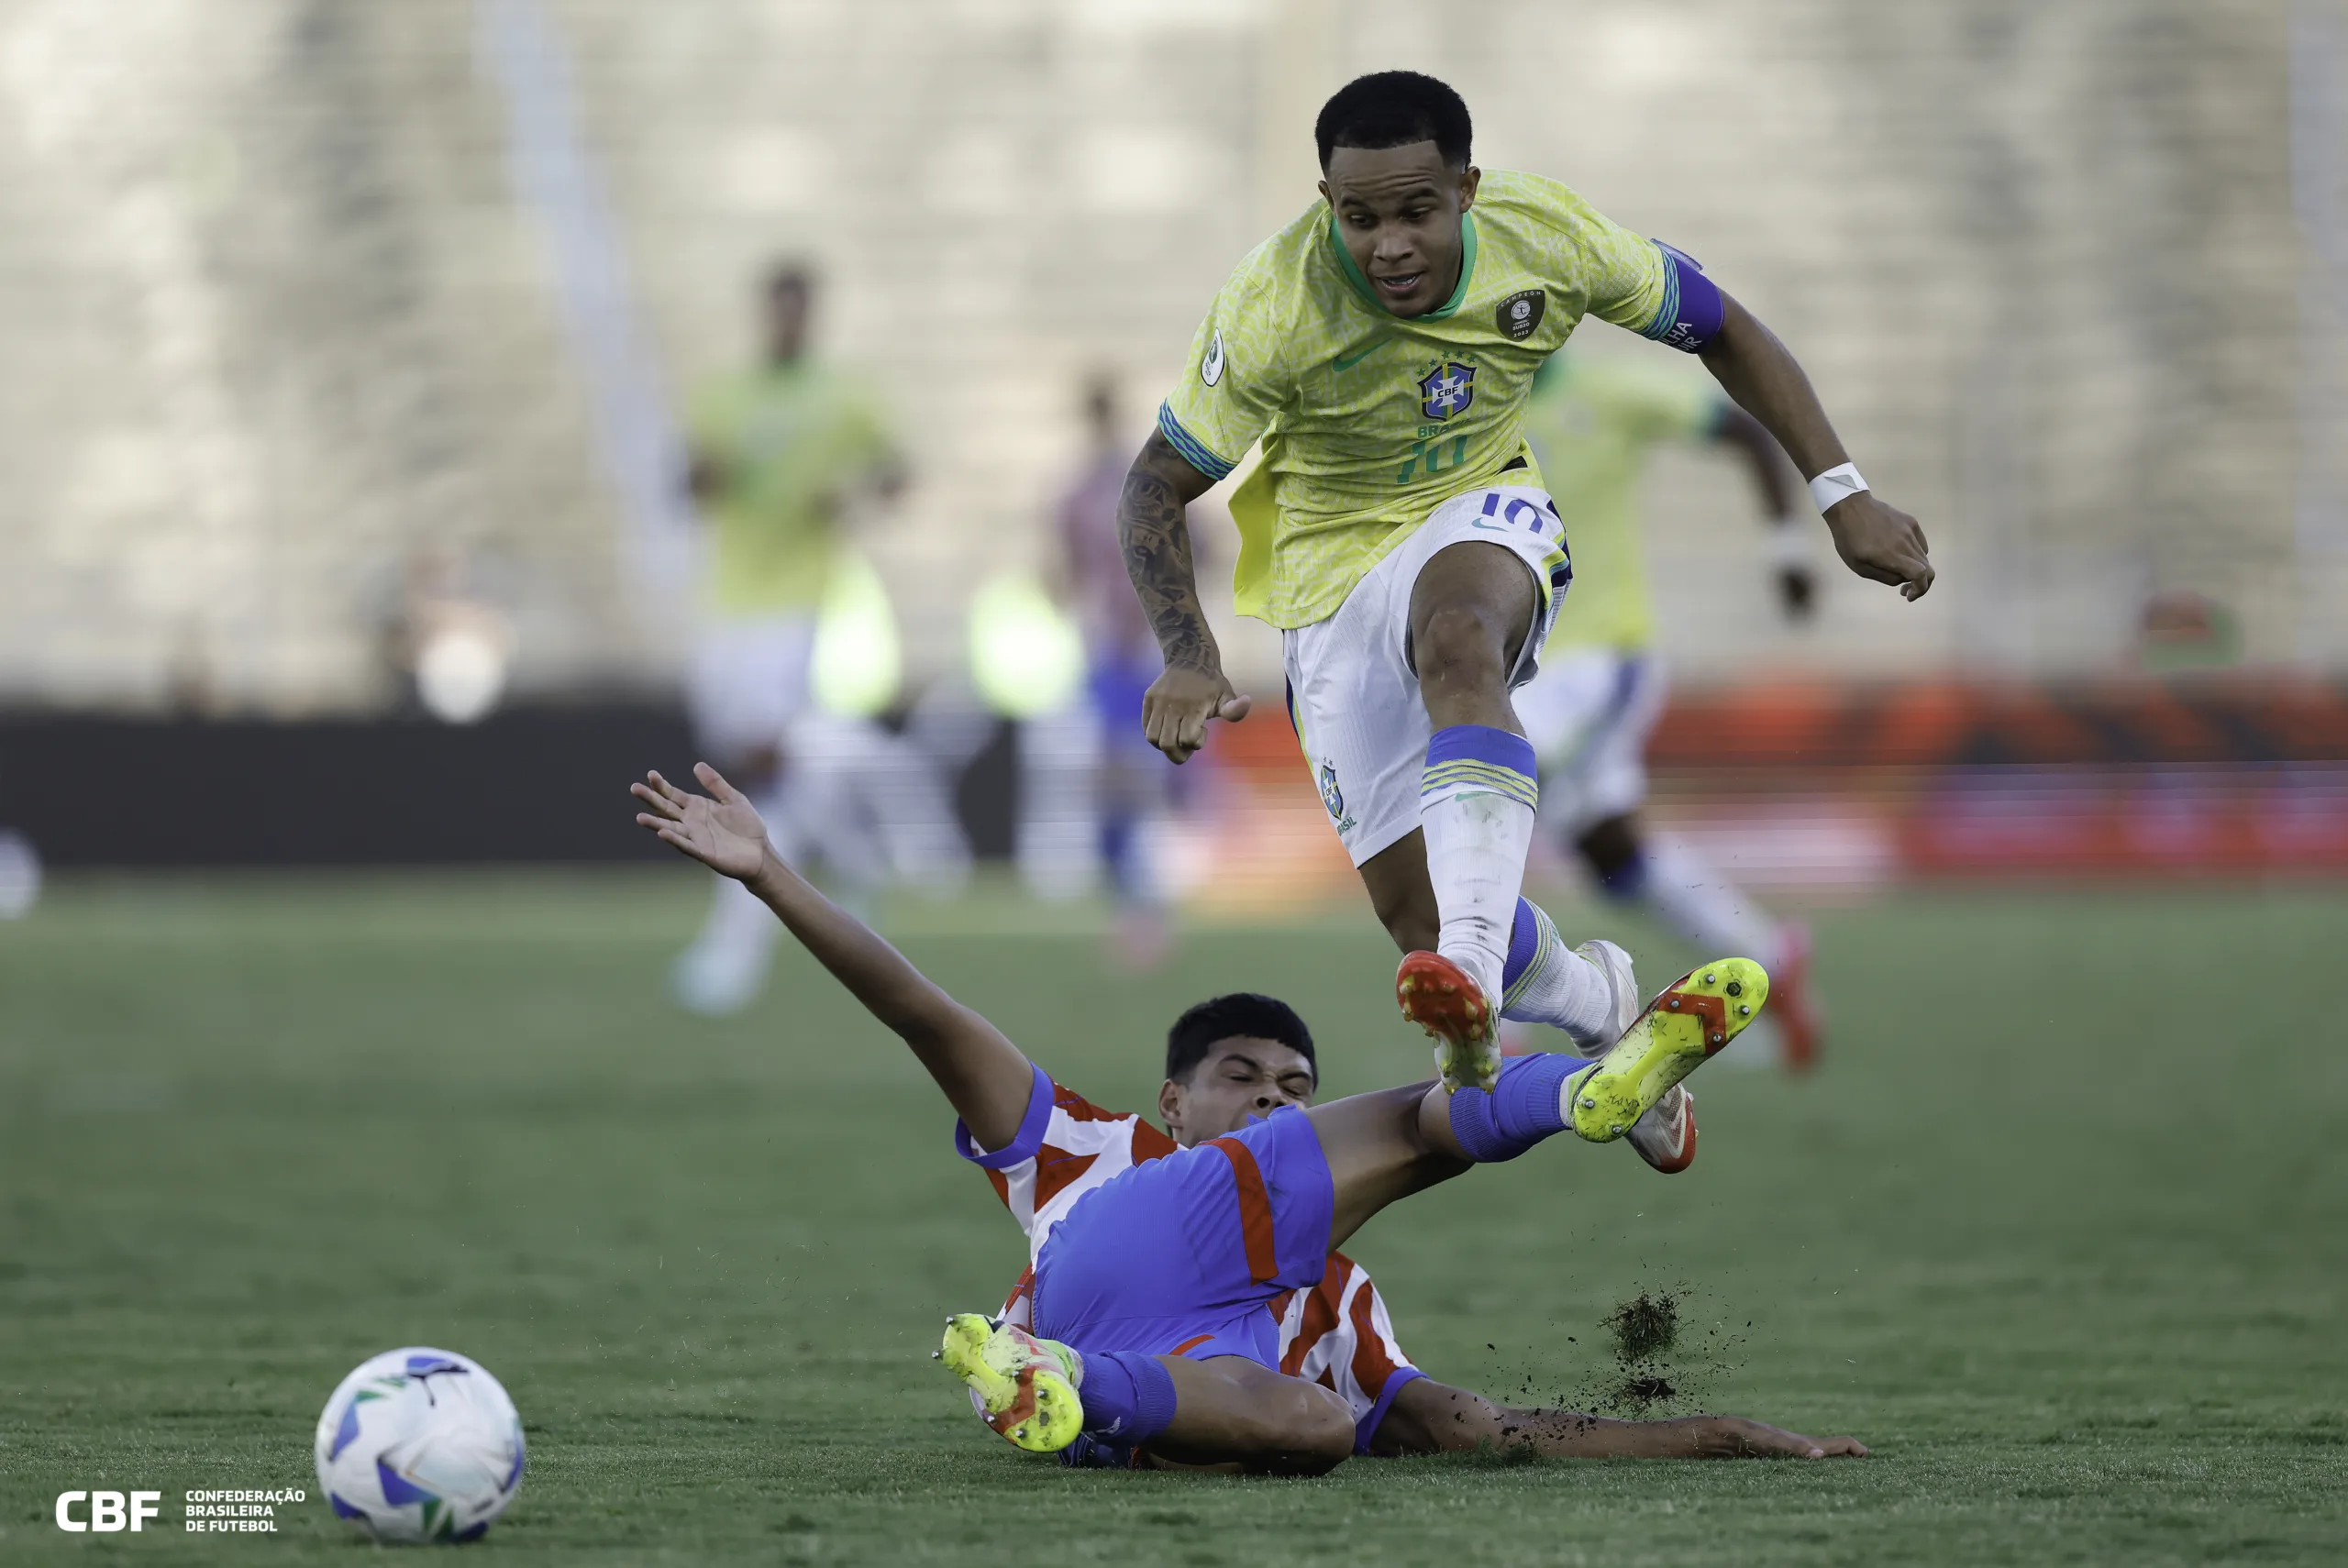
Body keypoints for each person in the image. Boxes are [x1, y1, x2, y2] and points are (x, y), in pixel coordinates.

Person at [629, 762, 1867, 1474]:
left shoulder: (1340, 1298)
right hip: (1123, 1253)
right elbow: (925, 1012)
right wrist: (775, 876)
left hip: (1134, 1383)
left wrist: (1712, 1436)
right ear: (1174, 1098)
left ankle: (1051, 1380)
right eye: (1241, 1076)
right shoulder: (1093, 1146)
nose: (1273, 1100)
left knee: (1322, 1426)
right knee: (1436, 1118)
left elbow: (1475, 1425)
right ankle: (1585, 1085)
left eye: (1291, 1087)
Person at [1116, 71, 1933, 1102]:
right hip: (1324, 584)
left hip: (1478, 511)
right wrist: (1187, 654)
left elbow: (1722, 324)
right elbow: (1153, 482)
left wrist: (1841, 494)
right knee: (1413, 907)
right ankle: (1600, 1008)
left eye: (1417, 210)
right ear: (1328, 204)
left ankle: (1465, 968)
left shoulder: (1544, 236)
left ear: (1466, 186)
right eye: (1360, 218)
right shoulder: (1275, 303)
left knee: (1460, 640)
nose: (1390, 245)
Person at [1512, 352, 1826, 1067]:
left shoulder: (1610, 388)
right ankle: (1770, 959)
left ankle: (1498, 1024)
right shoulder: (1466, 404)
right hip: (1524, 669)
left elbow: (1747, 431)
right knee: (1613, 856)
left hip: (1601, 657)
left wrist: (1786, 550)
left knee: (1487, 789)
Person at [671, 262, 908, 1014]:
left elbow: (896, 474)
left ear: (814, 315)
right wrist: (706, 474)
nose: (787, 324)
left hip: (795, 601)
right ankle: (857, 862)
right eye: (777, 310)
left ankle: (733, 950)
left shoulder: (843, 397)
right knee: (750, 759)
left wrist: (854, 493)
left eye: (799, 311)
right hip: (727, 599)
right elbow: (688, 483)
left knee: (757, 770)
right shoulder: (724, 396)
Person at [1053, 374, 1180, 964]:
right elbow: (1063, 572)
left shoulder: (1142, 488)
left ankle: (1144, 915)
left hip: (1142, 650)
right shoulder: (1081, 494)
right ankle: (1135, 910)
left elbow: (1195, 549)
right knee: (1112, 784)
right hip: (1105, 650)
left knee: (1131, 780)